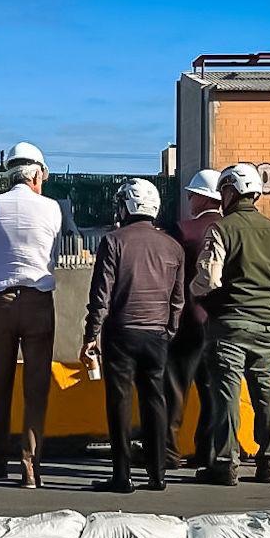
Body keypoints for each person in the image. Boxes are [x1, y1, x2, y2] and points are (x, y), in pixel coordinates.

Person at [191, 163, 270, 486]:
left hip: (230, 326)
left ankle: (226, 463)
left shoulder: (222, 229)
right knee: (265, 392)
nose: (221, 197)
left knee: (227, 394)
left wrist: (193, 291)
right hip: (266, 326)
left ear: (231, 191)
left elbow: (210, 277)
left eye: (223, 191)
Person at [81, 178, 184, 493]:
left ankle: (122, 476)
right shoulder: (173, 246)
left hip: (122, 333)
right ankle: (158, 474)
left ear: (126, 206)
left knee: (120, 402)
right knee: (155, 400)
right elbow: (177, 300)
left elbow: (102, 295)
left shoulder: (113, 241)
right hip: (157, 336)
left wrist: (91, 335)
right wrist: (168, 331)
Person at [0, 141, 63, 489]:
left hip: (0, 302)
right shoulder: (52, 208)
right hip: (38, 301)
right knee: (36, 387)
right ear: (37, 174)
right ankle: (30, 465)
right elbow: (53, 254)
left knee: (1, 385)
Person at [164, 169, 223, 469]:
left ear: (203, 197)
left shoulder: (183, 230)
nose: (188, 199)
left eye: (191, 194)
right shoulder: (231, 229)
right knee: (212, 391)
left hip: (187, 320)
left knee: (175, 387)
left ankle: (169, 451)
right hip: (220, 323)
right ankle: (208, 452)